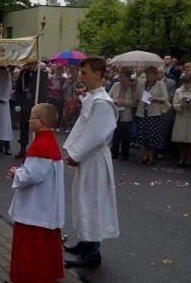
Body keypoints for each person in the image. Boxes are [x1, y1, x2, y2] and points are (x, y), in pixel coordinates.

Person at [62, 56, 119, 269]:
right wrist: (75, 152)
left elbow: (96, 135)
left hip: (94, 158)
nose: (81, 76)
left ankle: (92, 252)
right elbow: (84, 128)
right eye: (80, 72)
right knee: (82, 200)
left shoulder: (102, 102)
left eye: (84, 73)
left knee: (92, 201)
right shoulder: (92, 98)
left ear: (98, 74)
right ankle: (85, 242)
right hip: (88, 156)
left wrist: (76, 154)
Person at [8, 103, 64, 283]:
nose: (29, 120)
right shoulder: (48, 141)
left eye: (32, 117)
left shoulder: (42, 145)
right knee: (43, 244)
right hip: (44, 202)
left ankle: (29, 277)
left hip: (36, 206)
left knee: (31, 245)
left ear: (41, 122)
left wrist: (16, 173)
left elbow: (32, 175)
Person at [13, 58, 48, 159]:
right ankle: (22, 149)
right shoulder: (24, 73)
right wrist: (18, 103)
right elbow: (19, 88)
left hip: (35, 105)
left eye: (32, 63)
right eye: (29, 63)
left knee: (37, 129)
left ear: (36, 63)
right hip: (24, 104)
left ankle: (36, 149)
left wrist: (40, 106)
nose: (30, 65)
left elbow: (43, 91)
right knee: (23, 129)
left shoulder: (42, 74)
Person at [135, 66, 170, 164]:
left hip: (154, 113)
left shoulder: (160, 85)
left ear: (155, 75)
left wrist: (155, 99)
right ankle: (144, 154)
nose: (148, 76)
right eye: (146, 74)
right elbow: (137, 98)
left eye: (150, 73)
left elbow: (165, 98)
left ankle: (151, 156)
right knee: (144, 135)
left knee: (152, 136)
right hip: (143, 112)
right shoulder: (141, 85)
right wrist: (135, 88)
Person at [171, 74, 191, 165]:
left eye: (188, 84)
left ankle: (189, 157)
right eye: (185, 84)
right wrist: (181, 105)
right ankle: (181, 157)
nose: (186, 86)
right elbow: (174, 104)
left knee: (190, 139)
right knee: (180, 138)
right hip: (181, 116)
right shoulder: (178, 91)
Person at [108, 69, 138, 160]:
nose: (119, 78)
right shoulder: (116, 85)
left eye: (122, 76)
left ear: (127, 77)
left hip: (126, 114)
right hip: (116, 112)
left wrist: (124, 102)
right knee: (115, 134)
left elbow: (135, 102)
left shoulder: (133, 87)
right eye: (119, 76)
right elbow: (109, 96)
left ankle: (125, 154)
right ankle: (114, 153)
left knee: (126, 136)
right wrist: (115, 101)